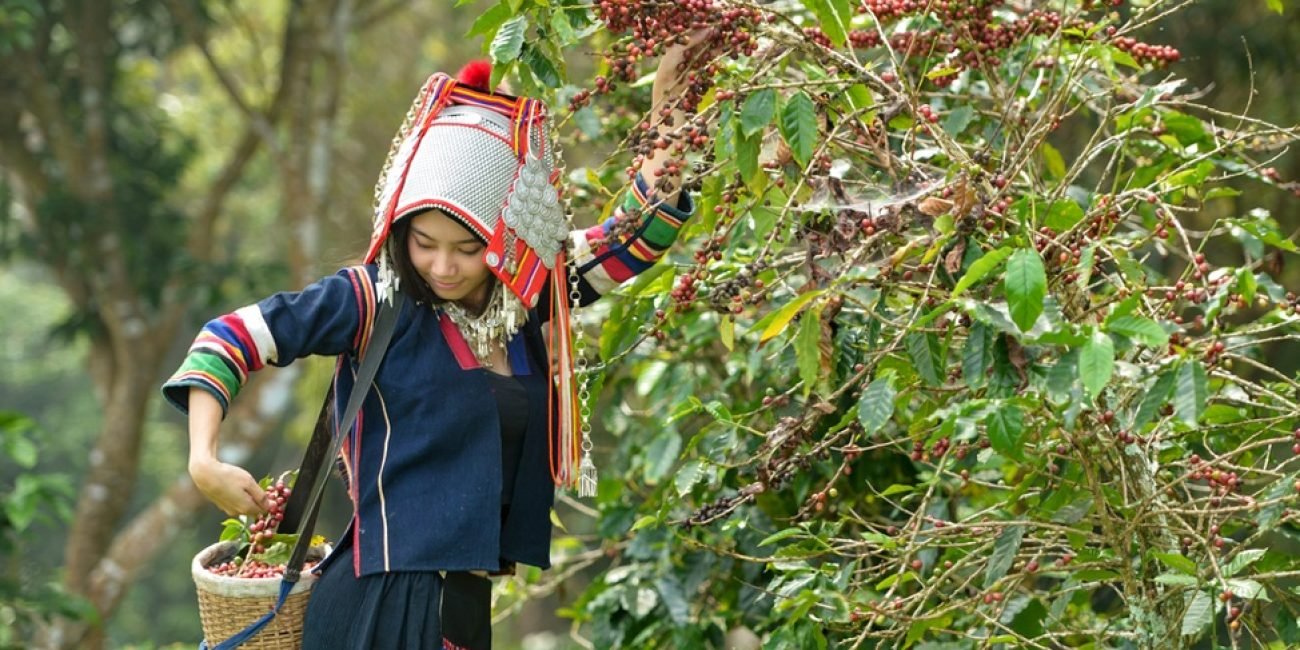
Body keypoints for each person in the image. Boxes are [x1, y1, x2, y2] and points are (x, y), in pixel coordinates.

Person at [162, 38, 701, 649]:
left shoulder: (524, 296)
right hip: (380, 605)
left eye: (468, 249)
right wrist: (203, 458)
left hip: (461, 607)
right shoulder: (370, 300)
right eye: (424, 243)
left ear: (500, 240)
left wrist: (667, 117)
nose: (443, 266)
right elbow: (227, 339)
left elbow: (634, 237)